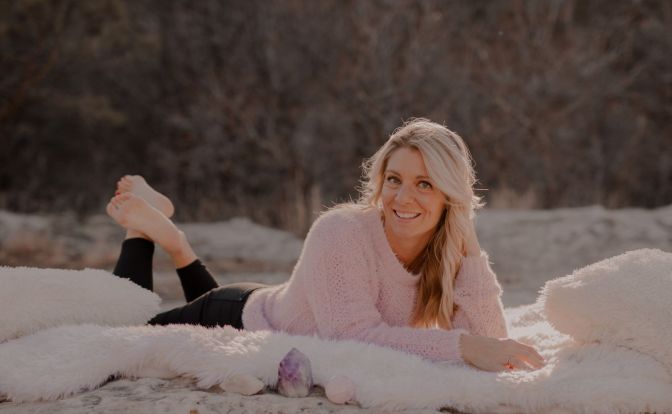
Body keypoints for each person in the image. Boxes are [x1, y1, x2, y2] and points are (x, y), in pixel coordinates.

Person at [108, 118, 546, 373]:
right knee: (119, 333)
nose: (402, 197)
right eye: (394, 179)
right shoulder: (341, 231)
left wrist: (469, 245)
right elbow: (350, 338)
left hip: (281, 306)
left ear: (451, 197)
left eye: (425, 184)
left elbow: (492, 343)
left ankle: (179, 246)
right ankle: (143, 231)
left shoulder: (447, 250)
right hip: (237, 317)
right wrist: (462, 347)